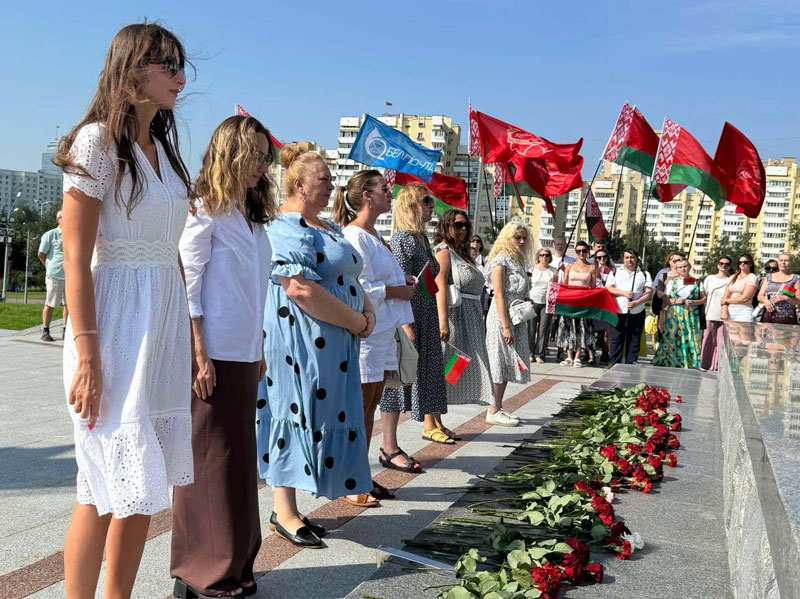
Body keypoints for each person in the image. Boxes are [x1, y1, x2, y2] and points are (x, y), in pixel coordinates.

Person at [54, 23, 194, 599]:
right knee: (99, 486)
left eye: (181, 66)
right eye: (169, 66)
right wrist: (87, 354)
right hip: (113, 325)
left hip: (161, 327)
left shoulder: (163, 149)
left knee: (142, 488)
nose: (180, 78)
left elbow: (173, 250)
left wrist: (192, 342)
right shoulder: (96, 141)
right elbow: (75, 254)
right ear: (132, 68)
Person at [170, 116, 274, 598]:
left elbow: (254, 290)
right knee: (208, 461)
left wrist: (259, 346)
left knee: (237, 462)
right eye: (254, 155)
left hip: (244, 351)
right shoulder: (202, 209)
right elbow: (188, 283)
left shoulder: (249, 216)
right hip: (211, 353)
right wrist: (198, 351)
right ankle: (202, 571)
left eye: (265, 157)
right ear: (230, 154)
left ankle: (235, 562)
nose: (262, 165)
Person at [256, 145, 375, 545]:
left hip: (334, 344)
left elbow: (348, 275)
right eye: (323, 179)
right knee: (295, 409)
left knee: (320, 412)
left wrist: (367, 309)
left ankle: (294, 505)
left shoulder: (328, 226)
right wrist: (356, 320)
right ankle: (284, 511)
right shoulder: (285, 226)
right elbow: (299, 289)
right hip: (302, 343)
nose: (331, 186)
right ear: (299, 185)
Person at [335, 170, 419, 498]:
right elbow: (360, 286)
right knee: (359, 407)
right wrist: (399, 291)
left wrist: (402, 283)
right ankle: (349, 478)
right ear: (367, 196)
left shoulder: (374, 235)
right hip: (367, 331)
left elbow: (381, 279)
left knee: (370, 407)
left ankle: (360, 474)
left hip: (382, 330)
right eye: (384, 189)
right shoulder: (354, 235)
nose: (390, 193)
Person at [381, 185, 454, 443]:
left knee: (430, 370)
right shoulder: (402, 239)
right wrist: (406, 324)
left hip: (427, 311)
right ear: (411, 206)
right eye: (426, 201)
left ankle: (431, 423)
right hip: (410, 314)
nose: (432, 206)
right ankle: (390, 441)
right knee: (400, 376)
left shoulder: (422, 238)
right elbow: (399, 281)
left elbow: (429, 280)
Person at [434, 210, 496, 420]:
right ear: (446, 226)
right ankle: (431, 420)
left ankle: (438, 417)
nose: (463, 229)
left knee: (458, 365)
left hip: (471, 319)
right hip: (454, 316)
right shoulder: (444, 251)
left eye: (466, 225)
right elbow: (439, 285)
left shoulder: (462, 253)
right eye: (458, 225)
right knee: (446, 365)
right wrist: (443, 321)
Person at [483, 220, 533, 424]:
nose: (521, 241)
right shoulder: (500, 261)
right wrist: (505, 326)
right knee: (499, 360)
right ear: (507, 238)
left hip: (516, 316)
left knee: (507, 361)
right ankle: (493, 409)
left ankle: (498, 406)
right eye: (517, 237)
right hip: (501, 316)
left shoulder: (518, 262)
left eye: (524, 238)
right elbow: (499, 295)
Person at [652, 259, 705, 368]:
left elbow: (704, 298)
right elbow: (665, 298)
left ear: (689, 267)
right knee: (672, 336)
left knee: (689, 336)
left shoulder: (696, 282)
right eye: (680, 267)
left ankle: (689, 361)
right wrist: (676, 301)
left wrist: (693, 302)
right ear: (676, 269)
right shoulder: (672, 282)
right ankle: (672, 360)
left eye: (685, 266)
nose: (683, 269)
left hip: (690, 314)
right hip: (675, 314)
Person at [606, 249, 652, 365]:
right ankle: (614, 363)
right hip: (618, 310)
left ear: (637, 259)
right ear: (623, 259)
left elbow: (648, 293)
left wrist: (637, 302)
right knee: (616, 338)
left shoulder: (644, 273)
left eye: (632, 257)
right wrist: (624, 293)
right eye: (627, 257)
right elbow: (609, 288)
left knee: (634, 338)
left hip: (637, 310)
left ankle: (631, 363)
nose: (629, 260)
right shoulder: (615, 271)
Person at [557, 240, 596, 367]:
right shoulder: (569, 266)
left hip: (583, 303)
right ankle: (569, 356)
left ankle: (578, 356)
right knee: (568, 328)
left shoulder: (592, 267)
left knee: (581, 329)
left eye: (584, 251)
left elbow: (593, 287)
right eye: (578, 251)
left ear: (588, 252)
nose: (581, 253)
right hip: (570, 302)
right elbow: (564, 284)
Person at [37, 210, 68, 341]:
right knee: (50, 303)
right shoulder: (50, 235)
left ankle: (66, 331)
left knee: (69, 304)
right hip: (55, 274)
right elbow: (41, 254)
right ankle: (45, 330)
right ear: (58, 219)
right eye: (64, 217)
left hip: (69, 275)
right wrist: (48, 266)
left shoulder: (72, 233)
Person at [699, 255, 732, 370]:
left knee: (720, 341)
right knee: (707, 339)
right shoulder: (710, 278)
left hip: (724, 314)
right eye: (721, 263)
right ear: (717, 265)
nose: (724, 266)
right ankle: (704, 364)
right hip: (710, 313)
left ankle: (717, 365)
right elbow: (704, 295)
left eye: (727, 264)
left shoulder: (731, 280)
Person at [528, 247, 557, 363]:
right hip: (532, 301)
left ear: (550, 257)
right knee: (531, 329)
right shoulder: (531, 268)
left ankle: (539, 353)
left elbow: (554, 289)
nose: (544, 257)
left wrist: (553, 307)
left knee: (543, 329)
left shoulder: (554, 271)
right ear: (538, 257)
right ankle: (530, 352)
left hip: (546, 303)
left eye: (547, 255)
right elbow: (527, 284)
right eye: (542, 255)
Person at [758, 252, 799, 325]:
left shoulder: (796, 279)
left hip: (787, 319)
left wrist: (786, 298)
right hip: (768, 316)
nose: (783, 263)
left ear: (791, 263)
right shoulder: (769, 277)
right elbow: (760, 296)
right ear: (778, 262)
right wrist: (766, 301)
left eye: (786, 260)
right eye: (781, 260)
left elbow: (798, 301)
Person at [592, 249, 615, 363]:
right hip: (594, 303)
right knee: (593, 329)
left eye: (604, 257)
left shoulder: (612, 271)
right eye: (599, 257)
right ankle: (590, 353)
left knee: (607, 331)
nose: (602, 259)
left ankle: (605, 353)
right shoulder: (592, 270)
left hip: (606, 303)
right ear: (595, 259)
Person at [721, 254, 759, 323]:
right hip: (730, 310)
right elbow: (725, 296)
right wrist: (724, 311)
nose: (742, 264)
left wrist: (726, 300)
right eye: (740, 262)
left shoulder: (752, 277)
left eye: (745, 262)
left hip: (744, 311)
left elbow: (744, 298)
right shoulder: (732, 277)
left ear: (750, 264)